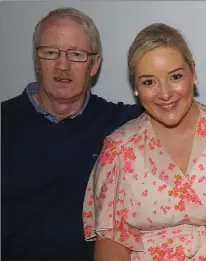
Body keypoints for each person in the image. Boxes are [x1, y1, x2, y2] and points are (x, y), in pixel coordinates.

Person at [82, 23, 206, 261]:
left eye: (175, 76)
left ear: (193, 73)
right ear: (135, 87)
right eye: (149, 82)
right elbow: (111, 241)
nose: (165, 94)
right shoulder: (119, 150)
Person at [1, 7, 143, 260]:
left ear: (94, 65)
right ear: (36, 60)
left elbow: (181, 111)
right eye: (50, 52)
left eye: (76, 54)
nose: (62, 65)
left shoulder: (123, 124)